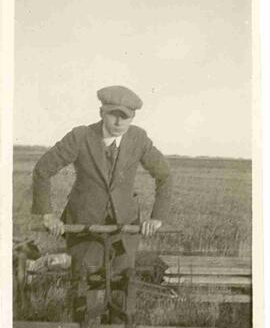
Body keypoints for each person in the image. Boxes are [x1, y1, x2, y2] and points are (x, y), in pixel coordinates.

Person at [31, 85, 173, 315]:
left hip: (124, 230)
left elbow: (165, 175)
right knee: (84, 288)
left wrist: (157, 218)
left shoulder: (139, 138)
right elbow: (42, 170)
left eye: (125, 117)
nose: (118, 122)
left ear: (133, 117)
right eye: (113, 115)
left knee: (123, 291)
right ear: (101, 113)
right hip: (84, 227)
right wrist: (47, 214)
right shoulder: (80, 137)